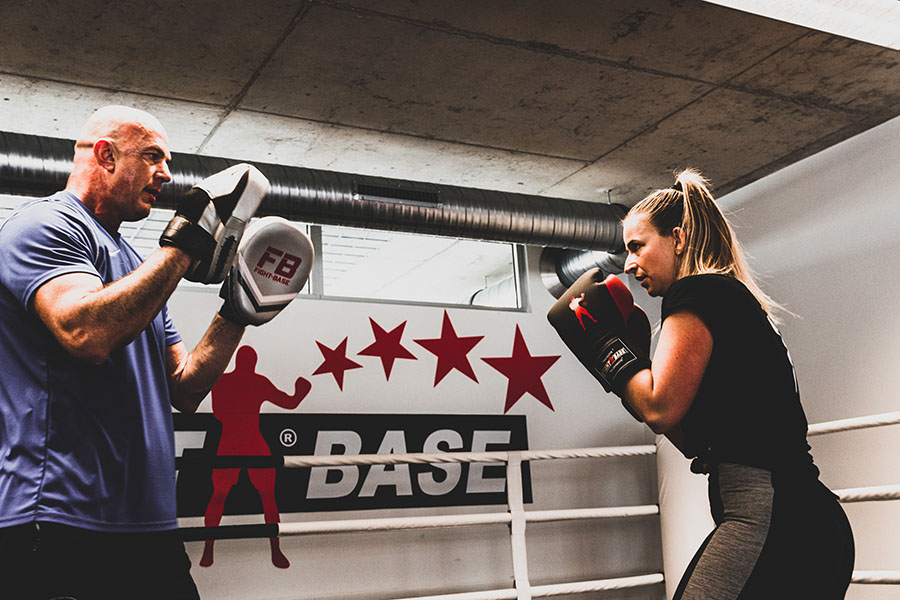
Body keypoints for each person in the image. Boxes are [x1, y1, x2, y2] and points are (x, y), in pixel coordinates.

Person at [548, 168, 854, 599]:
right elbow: (690, 439)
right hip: (804, 523)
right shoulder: (726, 298)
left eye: (637, 246)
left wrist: (607, 351)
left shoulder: (698, 291)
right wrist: (627, 367)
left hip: (768, 518)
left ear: (679, 238)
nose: (630, 264)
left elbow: (658, 409)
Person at [0, 106, 252, 600]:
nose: (167, 174)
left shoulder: (139, 267)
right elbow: (84, 332)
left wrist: (238, 311)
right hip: (57, 519)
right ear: (106, 155)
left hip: (146, 526)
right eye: (153, 156)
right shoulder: (45, 225)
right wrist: (185, 245)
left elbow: (184, 385)